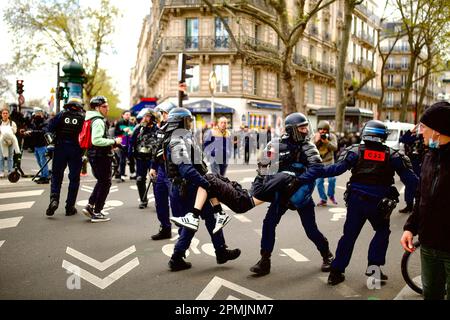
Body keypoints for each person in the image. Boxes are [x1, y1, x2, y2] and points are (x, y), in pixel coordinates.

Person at [320, 120, 419, 286]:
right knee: (382, 232)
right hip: (379, 203)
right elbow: (412, 182)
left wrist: (310, 172)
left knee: (349, 236)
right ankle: (374, 270)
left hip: (356, 201)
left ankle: (336, 272)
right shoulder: (393, 155)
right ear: (383, 136)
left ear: (365, 133)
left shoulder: (354, 151)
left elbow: (335, 169)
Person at [250, 112, 334, 276]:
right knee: (268, 224)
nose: (305, 130)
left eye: (305, 127)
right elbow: (264, 166)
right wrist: (262, 183)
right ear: (291, 129)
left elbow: (317, 168)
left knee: (310, 230)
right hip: (281, 194)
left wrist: (298, 181)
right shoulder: (276, 144)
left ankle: (327, 255)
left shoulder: (308, 146)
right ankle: (264, 261)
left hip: (300, 194)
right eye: (301, 128)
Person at [163, 107, 241, 271]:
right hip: (186, 187)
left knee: (211, 217)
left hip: (191, 186)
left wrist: (207, 178)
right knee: (191, 223)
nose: (191, 123)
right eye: (188, 120)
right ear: (181, 122)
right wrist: (206, 183)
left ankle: (220, 251)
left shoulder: (182, 138)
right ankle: (177, 257)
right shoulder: (177, 141)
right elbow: (186, 170)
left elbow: (197, 163)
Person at [401, 101, 450, 300]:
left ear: (438, 131)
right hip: (429, 245)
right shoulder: (430, 155)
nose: (421, 132)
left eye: (424, 127)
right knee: (431, 294)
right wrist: (410, 227)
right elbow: (422, 195)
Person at [82, 96, 122, 223]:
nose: (107, 108)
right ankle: (97, 211)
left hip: (95, 154)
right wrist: (114, 141)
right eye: (104, 106)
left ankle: (90, 206)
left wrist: (110, 145)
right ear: (96, 108)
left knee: (102, 181)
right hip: (100, 156)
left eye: (107, 106)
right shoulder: (98, 121)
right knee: (105, 182)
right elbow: (96, 140)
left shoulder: (92, 118)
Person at [45, 98, 85, 216]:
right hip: (76, 150)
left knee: (56, 177)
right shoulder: (83, 118)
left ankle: (54, 200)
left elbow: (48, 130)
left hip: (60, 148)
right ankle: (70, 207)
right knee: (74, 179)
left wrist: (51, 143)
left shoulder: (61, 115)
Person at [148, 101, 180, 240]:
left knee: (176, 203)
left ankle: (182, 232)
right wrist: (153, 166)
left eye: (165, 113)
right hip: (161, 169)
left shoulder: (179, 130)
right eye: (162, 113)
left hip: (173, 171)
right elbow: (156, 150)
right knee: (160, 201)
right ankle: (165, 228)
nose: (163, 116)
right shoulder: (161, 129)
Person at [130, 109, 159, 209]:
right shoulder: (138, 128)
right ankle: (143, 199)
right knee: (140, 179)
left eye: (147, 116)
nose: (145, 119)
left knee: (155, 180)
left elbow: (159, 143)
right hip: (140, 158)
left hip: (152, 158)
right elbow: (132, 141)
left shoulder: (157, 129)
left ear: (152, 118)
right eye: (144, 116)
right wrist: (130, 155)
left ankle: (158, 202)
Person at [398, 125, 425, 213]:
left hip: (420, 164)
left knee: (420, 185)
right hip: (410, 163)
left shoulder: (424, 137)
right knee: (409, 184)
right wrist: (410, 131)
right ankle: (409, 205)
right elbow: (402, 139)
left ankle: (418, 206)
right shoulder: (412, 138)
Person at [314, 120, 338, 206]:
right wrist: (316, 141)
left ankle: (331, 195)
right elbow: (310, 147)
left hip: (329, 161)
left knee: (332, 179)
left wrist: (327, 142)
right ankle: (323, 199)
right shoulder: (315, 136)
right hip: (319, 163)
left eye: (324, 129)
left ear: (327, 130)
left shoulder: (332, 136)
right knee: (319, 182)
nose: (322, 131)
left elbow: (335, 148)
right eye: (320, 129)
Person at [25, 108, 50, 184]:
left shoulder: (45, 123)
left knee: (43, 162)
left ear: (42, 114)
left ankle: (45, 177)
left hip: (42, 145)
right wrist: (27, 132)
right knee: (39, 162)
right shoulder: (34, 122)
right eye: (36, 113)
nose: (37, 115)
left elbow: (43, 132)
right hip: (36, 145)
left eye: (38, 113)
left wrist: (32, 132)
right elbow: (31, 129)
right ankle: (43, 175)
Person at [114, 110, 135, 181]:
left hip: (130, 143)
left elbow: (134, 132)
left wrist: (132, 132)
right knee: (122, 160)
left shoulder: (132, 123)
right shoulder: (119, 123)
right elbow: (116, 133)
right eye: (126, 114)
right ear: (122, 115)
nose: (128, 116)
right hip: (122, 143)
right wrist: (123, 131)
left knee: (131, 159)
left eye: (129, 114)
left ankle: (132, 174)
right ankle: (122, 175)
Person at [0, 107, 18, 177]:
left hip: (10, 142)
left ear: (8, 115)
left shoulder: (12, 123)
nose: (5, 114)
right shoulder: (0, 122)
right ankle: (1, 171)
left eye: (6, 113)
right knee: (1, 157)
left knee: (10, 157)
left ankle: (10, 171)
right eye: (3, 113)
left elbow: (15, 131)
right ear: (1, 114)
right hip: (2, 142)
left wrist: (10, 129)